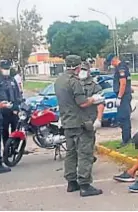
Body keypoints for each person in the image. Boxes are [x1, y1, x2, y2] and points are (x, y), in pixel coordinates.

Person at [54, 55, 105, 197]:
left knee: (71, 152)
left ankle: (71, 182)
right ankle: (85, 185)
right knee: (85, 153)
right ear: (76, 67)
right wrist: (93, 99)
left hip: (67, 122)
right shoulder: (74, 82)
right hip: (80, 123)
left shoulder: (59, 81)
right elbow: (82, 103)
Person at [79, 61, 105, 163]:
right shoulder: (73, 83)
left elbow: (100, 103)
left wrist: (99, 119)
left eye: (84, 70)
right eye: (81, 69)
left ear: (89, 71)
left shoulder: (94, 86)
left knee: (88, 143)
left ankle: (87, 162)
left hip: (89, 119)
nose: (82, 72)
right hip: (75, 118)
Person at [106, 54, 132, 148]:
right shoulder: (120, 67)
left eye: (111, 62)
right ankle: (126, 139)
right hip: (124, 96)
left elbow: (123, 83)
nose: (111, 65)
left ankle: (126, 140)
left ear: (113, 60)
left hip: (124, 97)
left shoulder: (121, 67)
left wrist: (120, 97)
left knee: (124, 117)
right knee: (122, 118)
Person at [0, 59, 22, 146]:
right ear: (1, 69)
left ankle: (15, 148)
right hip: (3, 111)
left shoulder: (13, 80)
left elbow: (18, 94)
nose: (6, 70)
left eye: (8, 68)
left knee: (16, 130)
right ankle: (7, 148)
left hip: (14, 110)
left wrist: (17, 107)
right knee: (5, 131)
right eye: (5, 68)